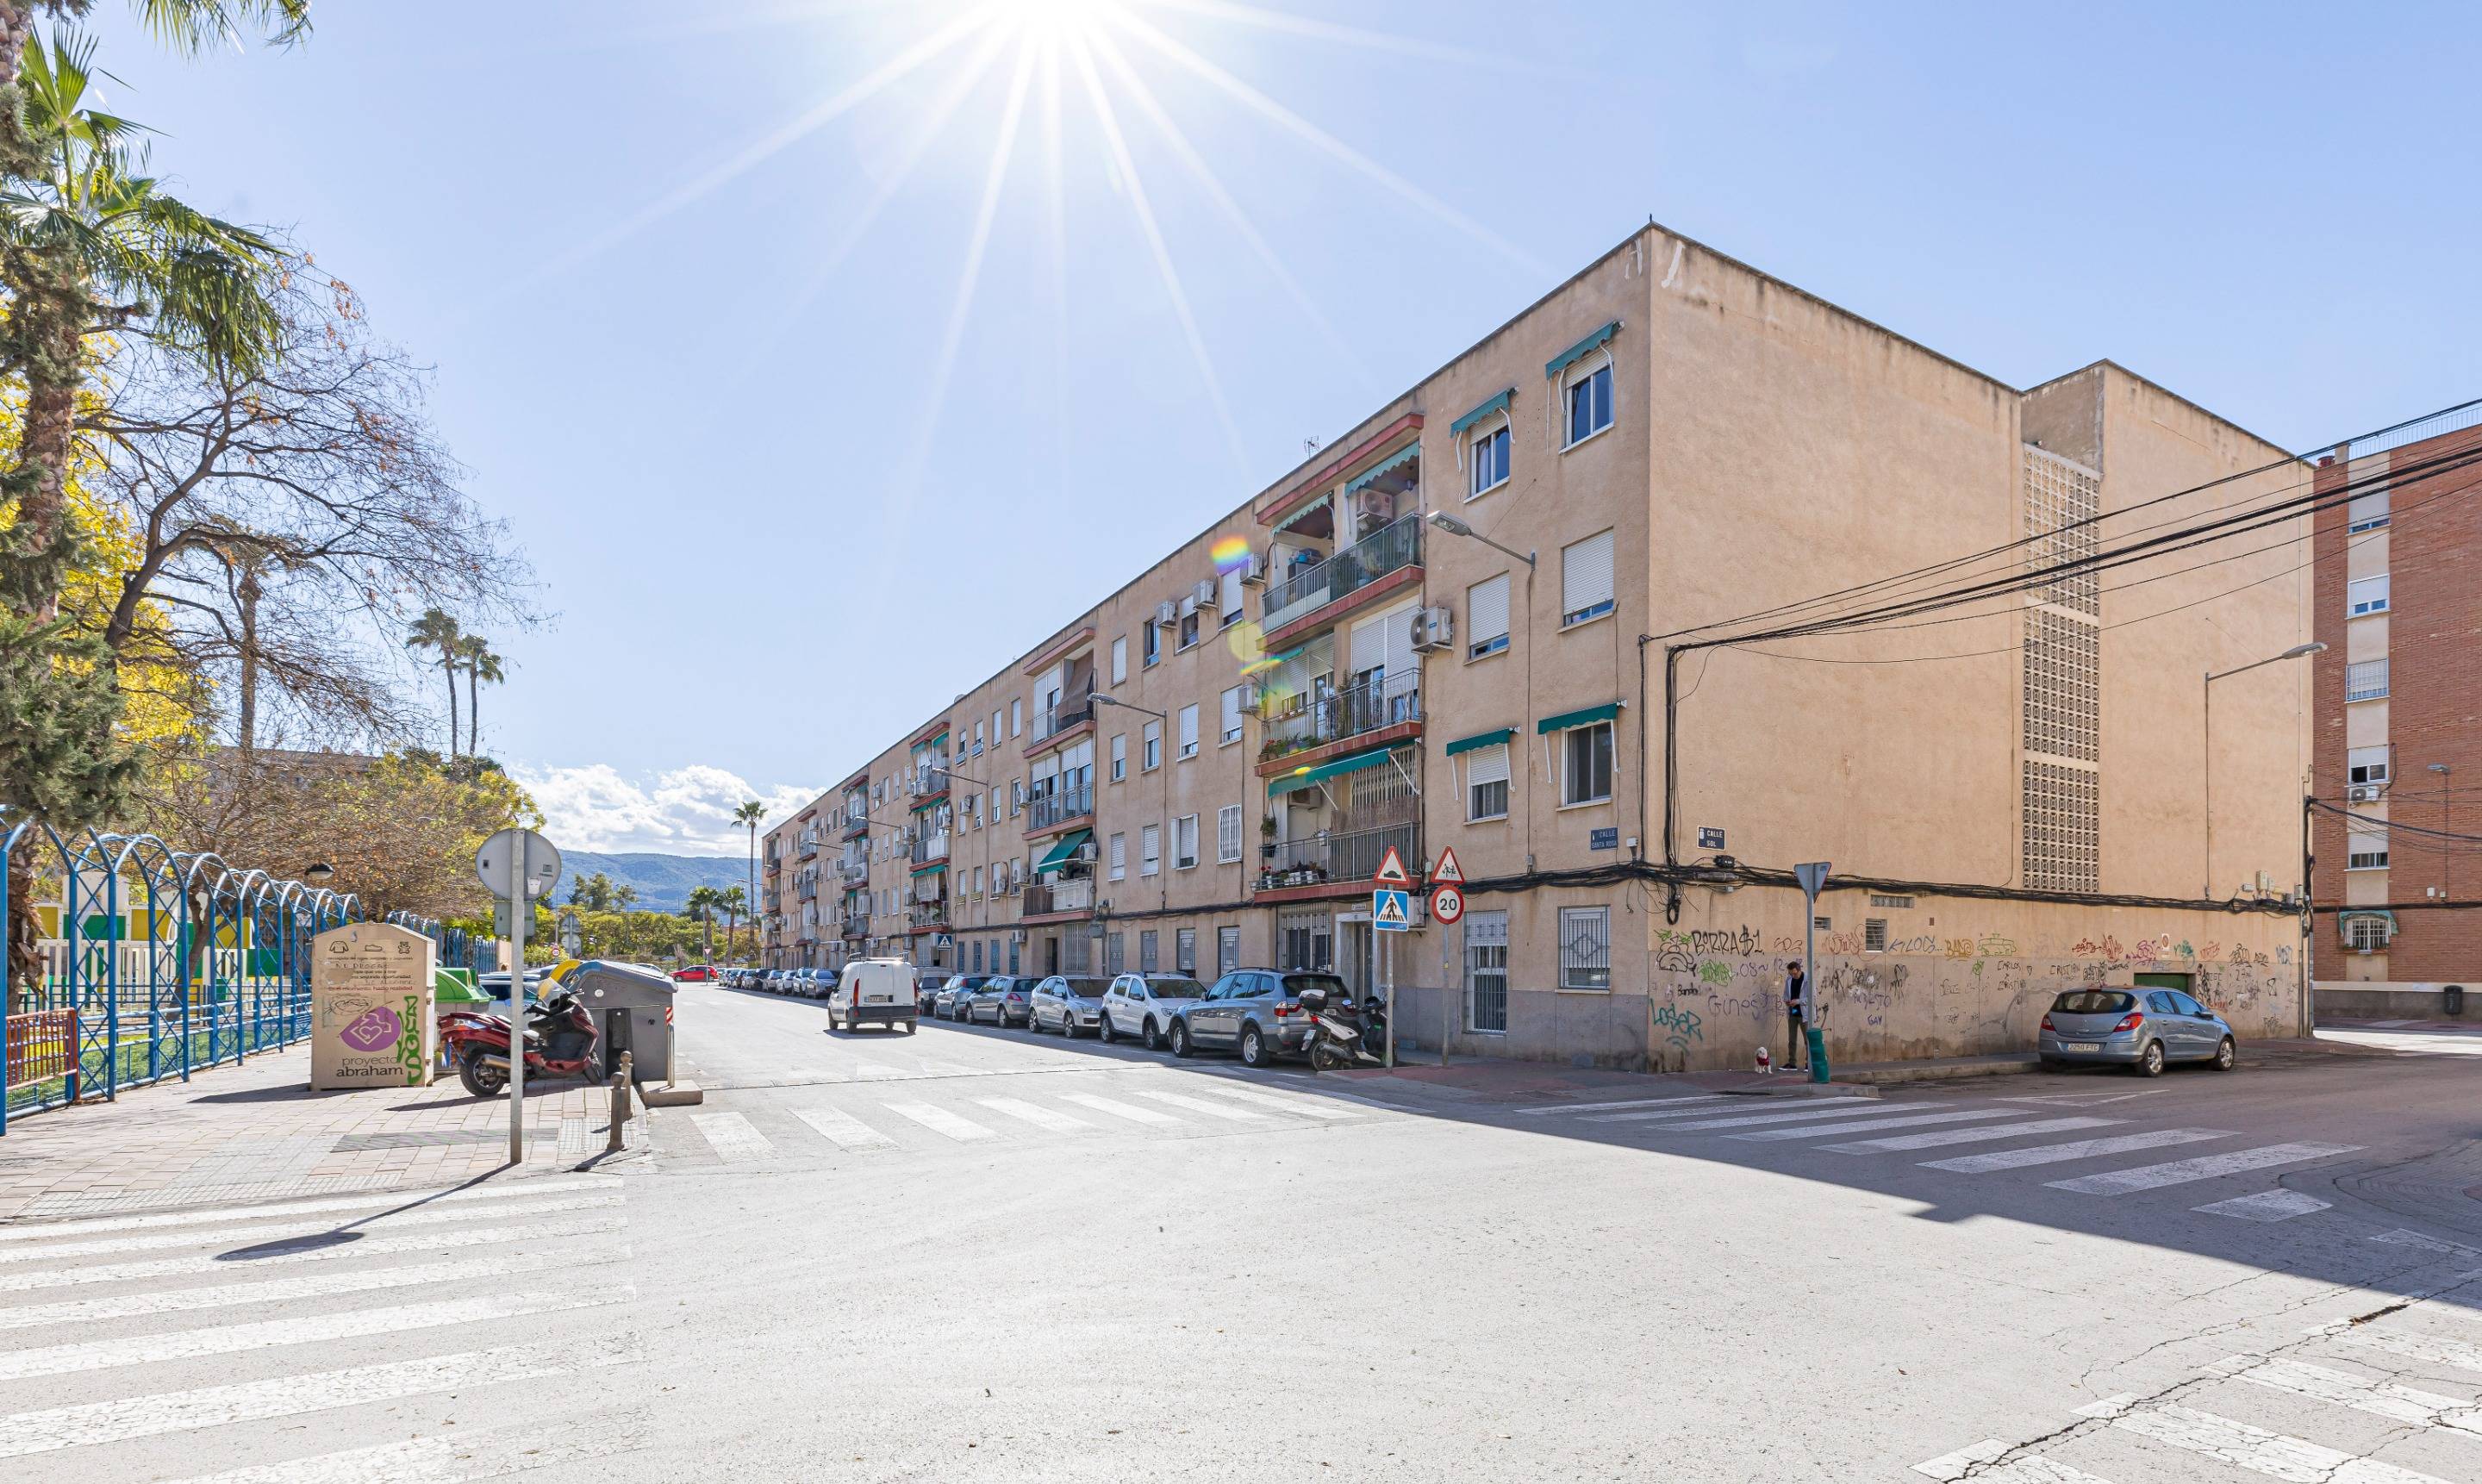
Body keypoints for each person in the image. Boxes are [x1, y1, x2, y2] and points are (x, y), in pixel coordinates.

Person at [1783, 960, 1808, 1072]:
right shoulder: (1789, 979)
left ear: (1799, 970)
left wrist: (1798, 1001)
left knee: (1807, 1040)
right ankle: (1792, 1063)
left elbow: (1812, 998)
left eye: (1794, 973)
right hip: (1793, 1012)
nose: (1793, 976)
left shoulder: (1808, 980)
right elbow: (1785, 994)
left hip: (1804, 1014)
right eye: (1790, 974)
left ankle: (1809, 1063)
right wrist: (1787, 1001)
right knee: (1792, 1039)